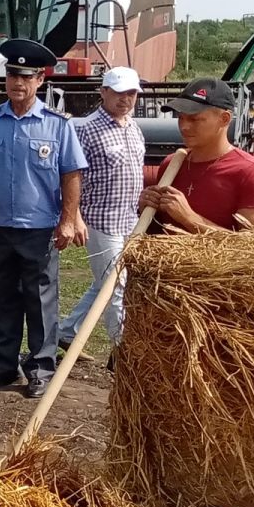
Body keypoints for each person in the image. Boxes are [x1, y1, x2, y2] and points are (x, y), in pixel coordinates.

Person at [0, 38, 89, 398]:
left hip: (40, 229)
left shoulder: (58, 125)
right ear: (6, 78)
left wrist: (68, 219)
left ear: (40, 80)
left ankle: (42, 368)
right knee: (1, 298)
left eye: (26, 76)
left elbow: (71, 174)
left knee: (40, 299)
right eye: (13, 74)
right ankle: (4, 366)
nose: (18, 82)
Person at [56, 66, 146, 352]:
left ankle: (67, 332)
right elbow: (70, 176)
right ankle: (123, 350)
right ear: (103, 92)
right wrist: (75, 217)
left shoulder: (134, 127)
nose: (126, 99)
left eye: (131, 93)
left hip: (130, 219)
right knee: (115, 286)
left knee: (107, 283)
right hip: (100, 220)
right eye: (119, 93)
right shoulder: (84, 128)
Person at [139, 78, 254, 232]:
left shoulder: (252, 173)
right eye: (181, 118)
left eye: (194, 119)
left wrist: (190, 218)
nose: (184, 126)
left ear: (224, 119)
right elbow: (158, 231)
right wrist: (146, 209)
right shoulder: (171, 165)